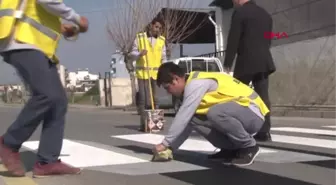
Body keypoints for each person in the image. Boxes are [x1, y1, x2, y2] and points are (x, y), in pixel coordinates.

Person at [0, 0, 88, 177]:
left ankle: (47, 161)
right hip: (22, 40)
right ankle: (8, 144)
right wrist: (77, 18)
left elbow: (37, 9)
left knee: (58, 101)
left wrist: (62, 28)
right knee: (47, 94)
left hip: (31, 43)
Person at [152, 62, 270, 166]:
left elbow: (183, 116)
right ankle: (230, 149)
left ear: (176, 79)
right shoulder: (186, 92)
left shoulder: (195, 84)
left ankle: (249, 146)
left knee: (215, 113)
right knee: (193, 118)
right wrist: (170, 148)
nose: (168, 92)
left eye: (167, 88)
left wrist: (164, 143)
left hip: (253, 112)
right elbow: (186, 124)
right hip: (238, 114)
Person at [223, 0, 276, 141]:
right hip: (264, 60)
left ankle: (238, 130)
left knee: (238, 97)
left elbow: (233, 39)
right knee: (263, 97)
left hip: (246, 61)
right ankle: (265, 131)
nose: (233, 2)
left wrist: (228, 63)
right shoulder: (265, 14)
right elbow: (268, 39)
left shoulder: (240, 13)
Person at [129, 18, 167, 131]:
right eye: (156, 27)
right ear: (151, 26)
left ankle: (156, 123)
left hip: (155, 74)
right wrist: (139, 54)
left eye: (160, 28)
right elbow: (132, 54)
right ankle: (144, 124)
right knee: (143, 99)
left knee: (155, 99)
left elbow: (163, 57)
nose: (158, 30)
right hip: (143, 73)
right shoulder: (140, 38)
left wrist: (164, 70)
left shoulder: (161, 40)